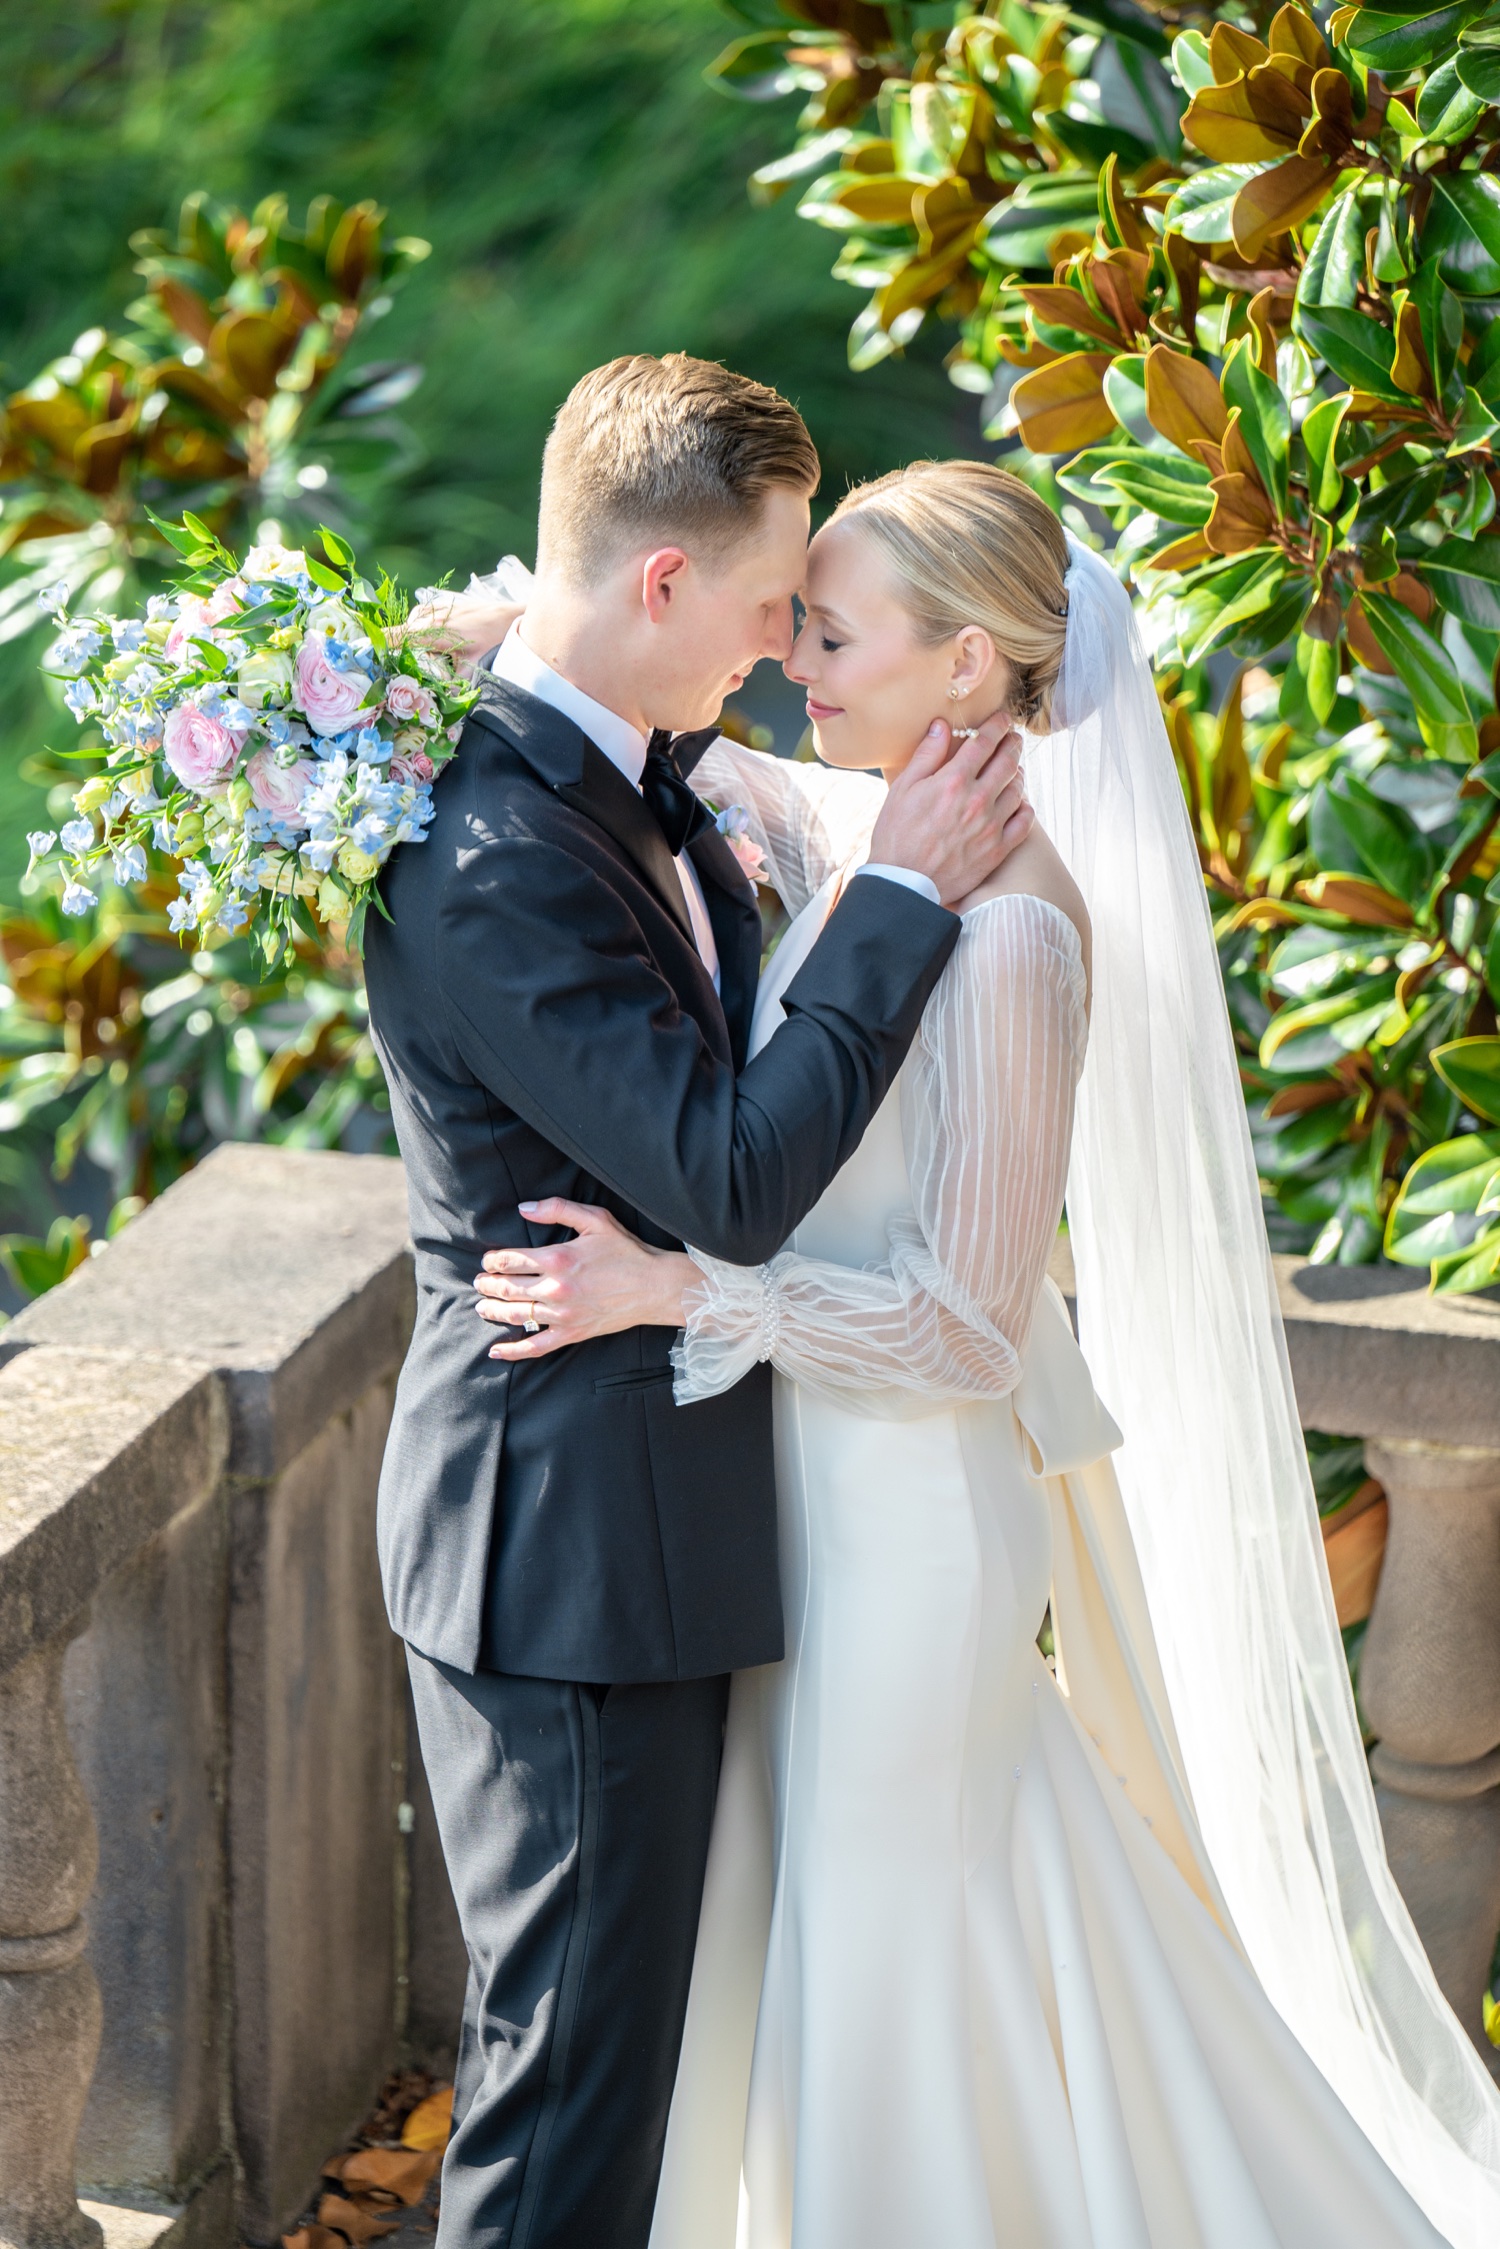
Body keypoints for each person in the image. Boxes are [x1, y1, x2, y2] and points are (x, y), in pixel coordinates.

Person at [474, 461, 1500, 2247]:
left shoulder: (1015, 930)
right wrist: (483, 631)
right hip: (806, 1506)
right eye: (794, 618)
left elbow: (964, 1325)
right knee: (851, 1946)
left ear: (966, 672)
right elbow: (671, 736)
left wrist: (684, 1293)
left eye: (834, 629)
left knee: (892, 1966)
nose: (794, 653)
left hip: (912, 1537)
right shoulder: (865, 823)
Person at [361, 358, 1033, 2249]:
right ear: (662, 588)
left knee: (629, 2085)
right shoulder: (491, 862)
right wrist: (897, 900)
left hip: (653, 1529)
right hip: (564, 1550)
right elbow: (730, 1178)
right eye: (763, 613)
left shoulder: (611, 768)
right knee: (566, 2101)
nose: (769, 657)